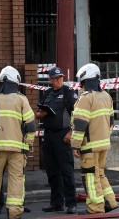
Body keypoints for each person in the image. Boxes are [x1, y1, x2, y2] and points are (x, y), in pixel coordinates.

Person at [0, 66, 36, 219]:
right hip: (17, 149)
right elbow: (30, 125)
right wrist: (27, 144)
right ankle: (14, 213)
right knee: (16, 179)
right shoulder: (21, 99)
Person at [71, 63, 119, 215]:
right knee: (100, 174)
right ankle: (110, 201)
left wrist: (75, 145)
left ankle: (96, 208)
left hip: (89, 147)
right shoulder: (106, 96)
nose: (81, 86)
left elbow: (79, 125)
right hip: (104, 144)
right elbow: (111, 123)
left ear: (85, 81)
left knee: (91, 178)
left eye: (82, 83)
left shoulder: (85, 99)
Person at [36, 67, 78, 214]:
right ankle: (57, 203)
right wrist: (41, 114)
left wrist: (71, 132)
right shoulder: (47, 93)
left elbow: (78, 113)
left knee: (66, 170)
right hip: (49, 135)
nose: (59, 80)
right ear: (51, 80)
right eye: (56, 78)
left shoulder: (68, 92)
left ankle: (72, 204)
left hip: (63, 135)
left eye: (60, 77)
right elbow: (38, 114)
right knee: (52, 172)